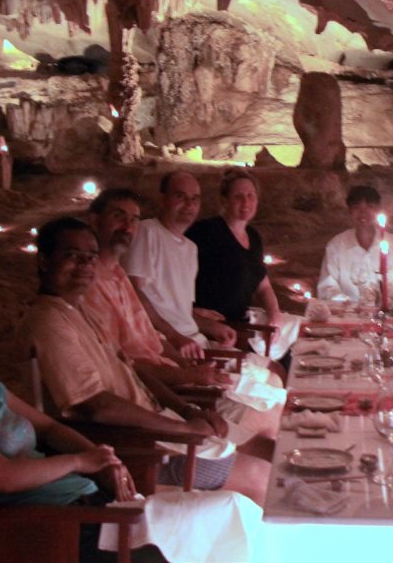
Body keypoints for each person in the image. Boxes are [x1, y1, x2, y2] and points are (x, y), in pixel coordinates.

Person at [0, 287, 262, 563]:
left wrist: (98, 457)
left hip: (88, 501)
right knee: (219, 515)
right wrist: (79, 462)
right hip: (53, 528)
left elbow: (48, 429)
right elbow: (4, 477)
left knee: (231, 511)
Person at [27, 217, 270, 505]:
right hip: (136, 447)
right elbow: (95, 405)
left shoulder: (80, 311)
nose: (84, 265)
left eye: (90, 257)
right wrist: (181, 428)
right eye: (72, 256)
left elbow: (133, 368)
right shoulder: (49, 322)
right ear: (44, 261)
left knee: (266, 447)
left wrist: (185, 409)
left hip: (158, 423)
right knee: (262, 475)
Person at [81, 187, 283, 454]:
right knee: (267, 426)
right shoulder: (85, 291)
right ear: (94, 221)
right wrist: (188, 377)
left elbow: (151, 336)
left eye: (133, 220)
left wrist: (184, 351)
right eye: (119, 217)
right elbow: (128, 367)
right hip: (152, 406)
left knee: (275, 400)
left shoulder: (119, 275)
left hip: (173, 378)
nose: (128, 227)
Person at [121, 171, 222, 360]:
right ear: (163, 199)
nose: (189, 204)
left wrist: (211, 325)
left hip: (195, 341)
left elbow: (176, 308)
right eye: (180, 196)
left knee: (275, 371)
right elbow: (133, 295)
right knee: (270, 377)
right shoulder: (147, 232)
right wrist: (173, 337)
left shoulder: (191, 248)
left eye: (194, 198)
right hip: (169, 346)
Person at [185, 169, 284, 330]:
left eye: (250, 195)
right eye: (238, 197)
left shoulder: (253, 237)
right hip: (213, 326)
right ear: (225, 201)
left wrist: (274, 313)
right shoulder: (205, 232)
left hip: (241, 322)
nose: (246, 202)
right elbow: (177, 276)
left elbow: (263, 285)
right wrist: (191, 312)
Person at [316, 185, 393, 303]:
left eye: (370, 207)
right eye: (357, 207)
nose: (363, 212)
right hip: (349, 315)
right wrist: (350, 305)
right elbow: (327, 288)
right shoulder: (337, 245)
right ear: (350, 211)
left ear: (377, 210)